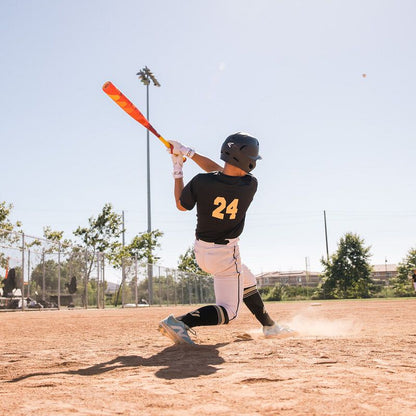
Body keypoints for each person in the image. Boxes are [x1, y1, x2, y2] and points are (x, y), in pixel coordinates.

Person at [158, 132, 292, 345]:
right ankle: (181, 322)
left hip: (202, 251)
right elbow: (221, 173)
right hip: (226, 255)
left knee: (247, 280)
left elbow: (182, 204)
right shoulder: (250, 185)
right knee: (229, 312)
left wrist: (178, 167)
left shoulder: (202, 182)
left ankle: (270, 326)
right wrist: (188, 153)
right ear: (247, 161)